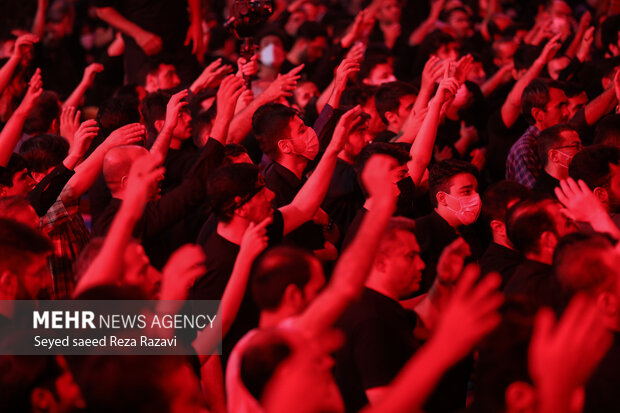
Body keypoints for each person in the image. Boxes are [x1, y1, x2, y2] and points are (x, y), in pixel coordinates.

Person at [480, 181, 531, 287]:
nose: (534, 224)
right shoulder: (499, 273)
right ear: (499, 227)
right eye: (522, 219)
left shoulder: (525, 251)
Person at [533, 124, 582, 196]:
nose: (581, 151)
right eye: (575, 146)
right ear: (554, 156)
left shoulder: (580, 179)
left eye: (581, 146)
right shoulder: (544, 197)